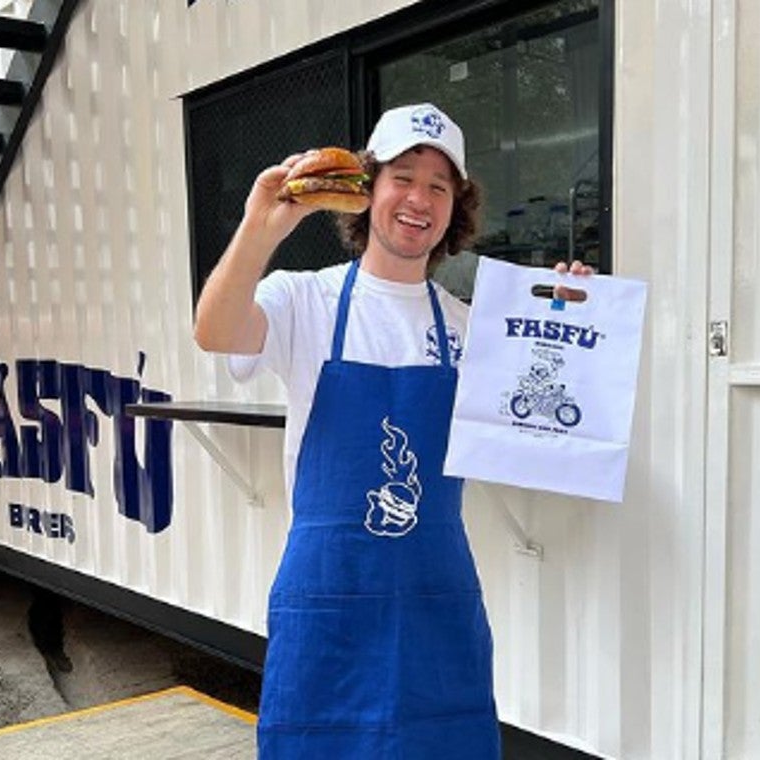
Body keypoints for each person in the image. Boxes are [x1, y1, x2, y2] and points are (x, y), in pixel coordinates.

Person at [193, 102, 592, 758]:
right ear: (367, 189)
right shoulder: (304, 300)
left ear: (455, 208)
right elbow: (215, 331)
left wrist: (576, 319)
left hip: (436, 605)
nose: (419, 199)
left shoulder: (468, 327)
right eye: (403, 176)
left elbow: (541, 422)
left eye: (439, 185)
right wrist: (261, 229)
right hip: (328, 600)